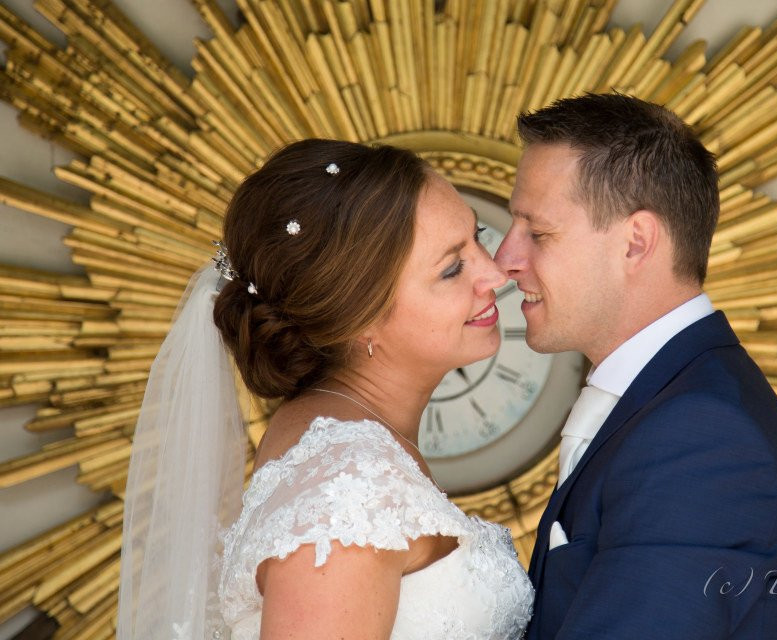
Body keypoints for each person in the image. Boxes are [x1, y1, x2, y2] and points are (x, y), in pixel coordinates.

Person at [117, 139, 534, 639]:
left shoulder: (326, 433)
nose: (494, 272)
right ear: (360, 318)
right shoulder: (350, 493)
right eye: (450, 268)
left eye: (478, 236)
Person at [494, 93, 777, 639]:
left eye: (538, 232)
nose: (506, 258)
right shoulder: (675, 404)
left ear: (636, 243)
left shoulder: (703, 439)